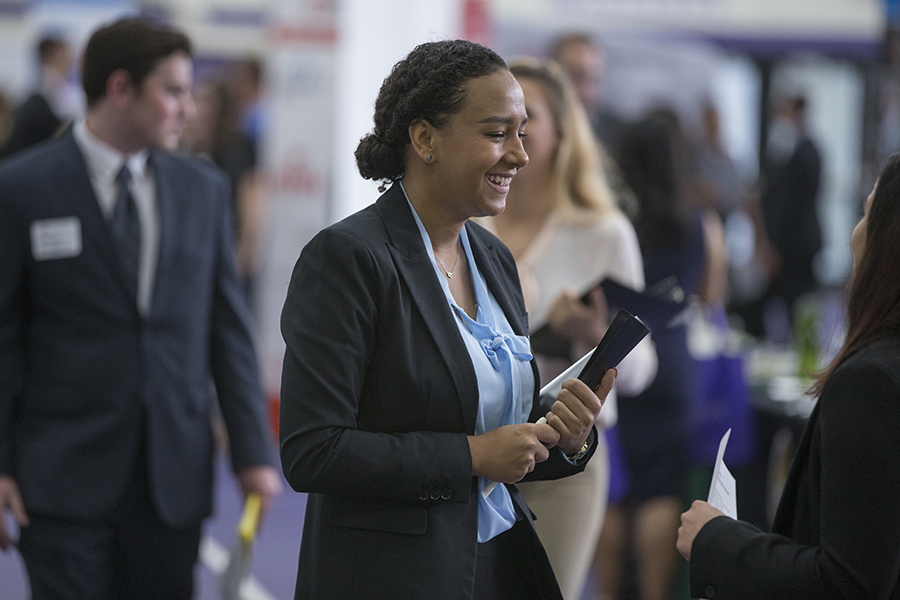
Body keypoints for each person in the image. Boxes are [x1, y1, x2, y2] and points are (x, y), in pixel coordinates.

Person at [278, 39, 616, 600]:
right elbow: (314, 450)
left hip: (495, 564)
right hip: (391, 577)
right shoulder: (348, 258)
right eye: (495, 133)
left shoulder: (493, 258)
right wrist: (472, 455)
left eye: (523, 132)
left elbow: (497, 424)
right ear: (425, 138)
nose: (520, 155)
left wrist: (565, 436)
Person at [0, 18, 281, 599]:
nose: (190, 108)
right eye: (174, 90)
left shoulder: (201, 189)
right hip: (58, 477)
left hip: (171, 479)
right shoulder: (22, 189)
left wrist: (253, 451)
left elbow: (225, 329)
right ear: (122, 88)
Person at [677, 152, 900, 599]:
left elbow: (847, 581)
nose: (854, 233)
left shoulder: (870, 383)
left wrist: (718, 539)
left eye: (866, 212)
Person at [480, 56, 657, 600]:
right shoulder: (466, 220)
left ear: (561, 134)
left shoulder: (603, 232)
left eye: (528, 117)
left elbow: (642, 371)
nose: (515, 133)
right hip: (475, 450)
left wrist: (595, 330)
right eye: (499, 119)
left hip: (563, 455)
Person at [593, 114, 727, 600]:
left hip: (619, 358)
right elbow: (712, 299)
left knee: (611, 488)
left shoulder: (612, 222)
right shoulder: (700, 224)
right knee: (660, 490)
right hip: (673, 364)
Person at [184, 78, 266, 307]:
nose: (200, 109)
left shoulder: (238, 147)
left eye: (208, 103)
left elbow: (252, 197)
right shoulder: (187, 149)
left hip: (230, 248)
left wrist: (246, 249)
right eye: (197, 101)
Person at [0, 35, 79, 159]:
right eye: (64, 55)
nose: (69, 60)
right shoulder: (43, 97)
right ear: (50, 57)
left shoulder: (59, 92)